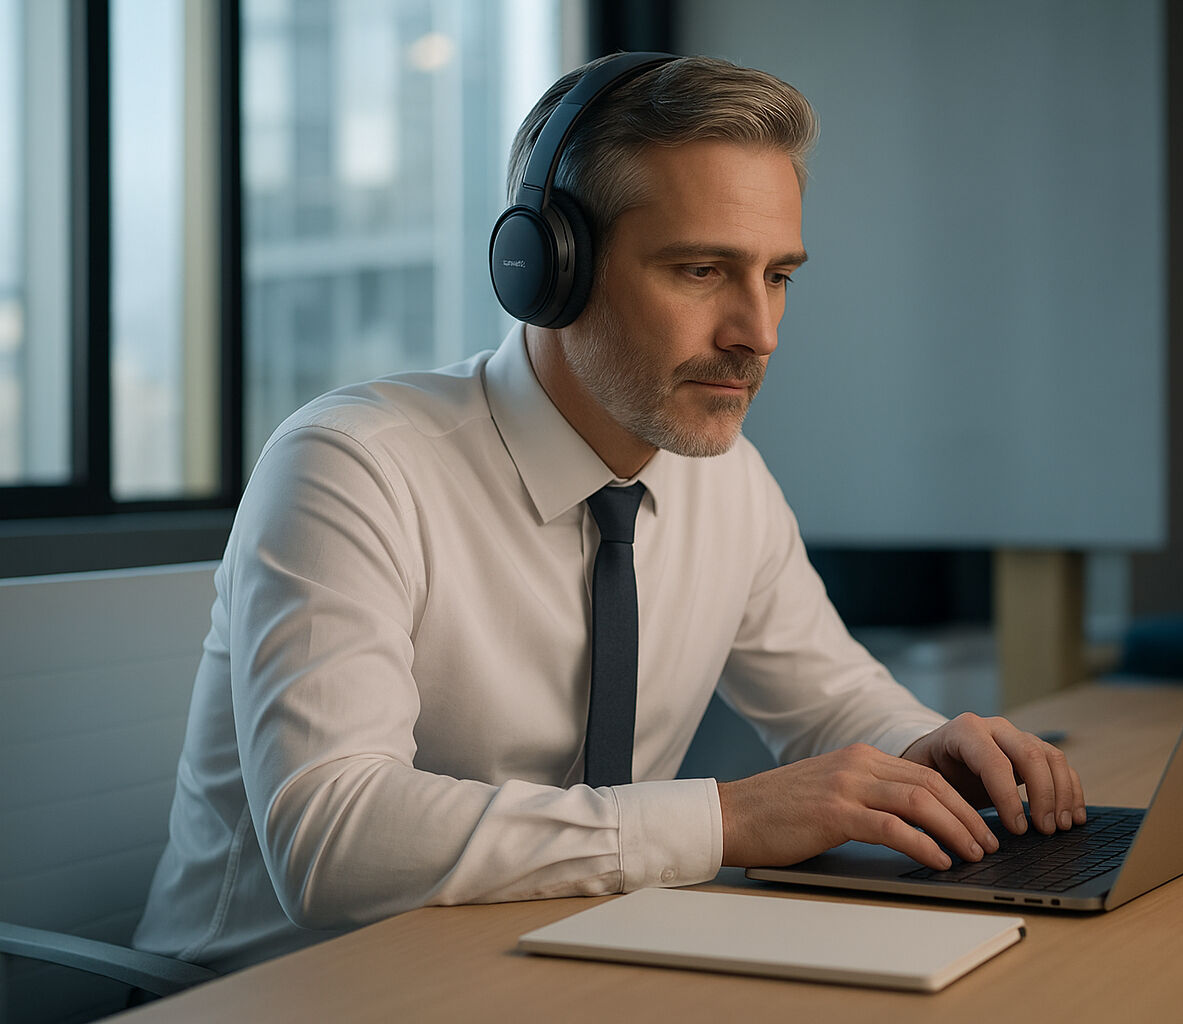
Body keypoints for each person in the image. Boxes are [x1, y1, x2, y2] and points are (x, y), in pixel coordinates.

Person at [133, 53, 1085, 974]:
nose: (758, 333)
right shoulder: (354, 466)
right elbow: (332, 840)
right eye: (702, 271)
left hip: (554, 962)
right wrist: (728, 820)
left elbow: (831, 701)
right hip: (292, 991)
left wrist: (922, 751)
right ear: (548, 268)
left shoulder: (724, 476)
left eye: (779, 275)